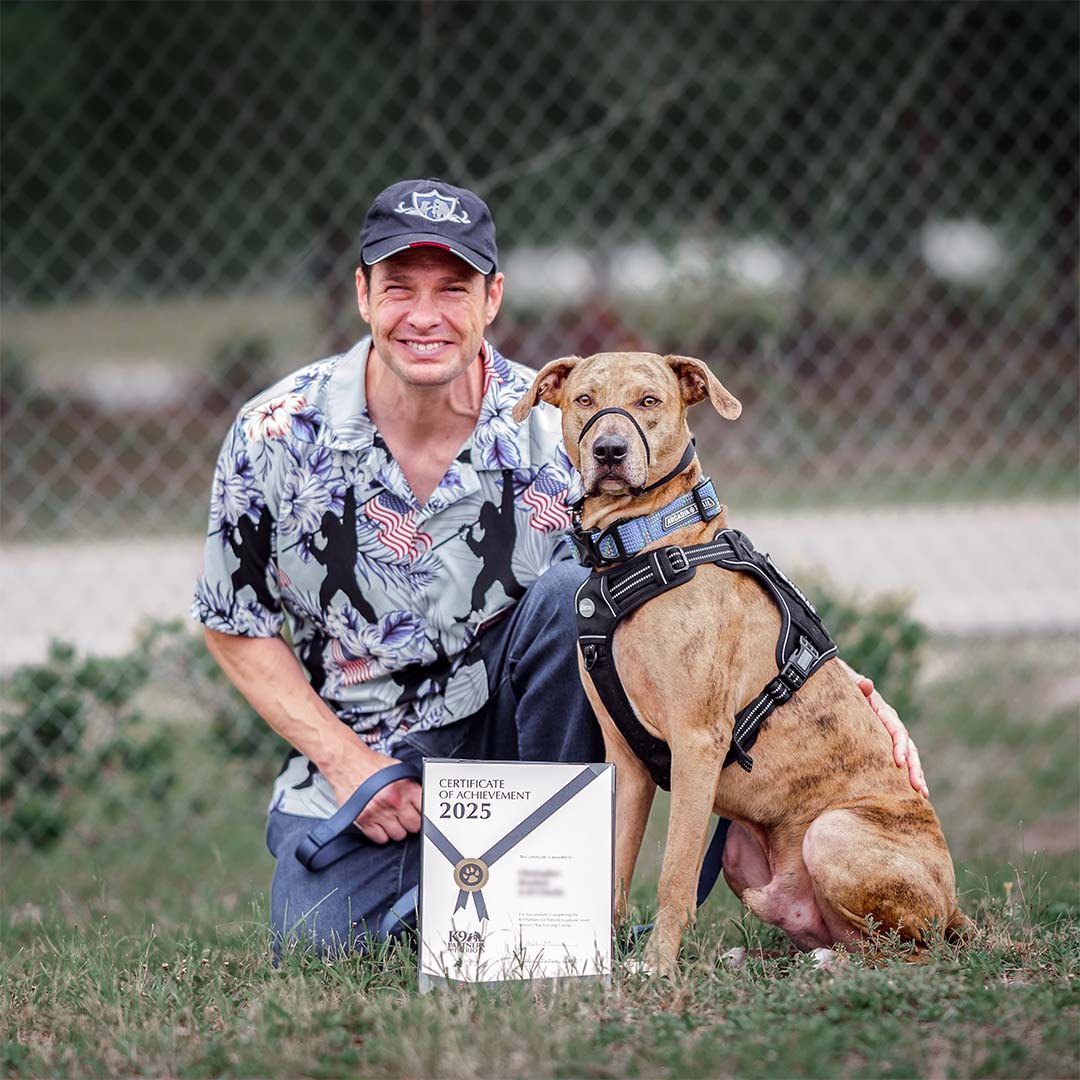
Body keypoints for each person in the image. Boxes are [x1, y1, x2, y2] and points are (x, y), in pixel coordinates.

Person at [192, 178, 926, 957]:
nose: (426, 315)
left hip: (522, 747)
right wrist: (346, 764)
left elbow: (702, 578)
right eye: (400, 287)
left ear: (493, 298)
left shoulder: (563, 424)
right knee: (316, 945)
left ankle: (546, 884)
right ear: (363, 294)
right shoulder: (276, 433)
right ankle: (465, 899)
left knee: (576, 595)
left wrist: (835, 685)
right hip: (371, 764)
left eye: (453, 288)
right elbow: (232, 624)